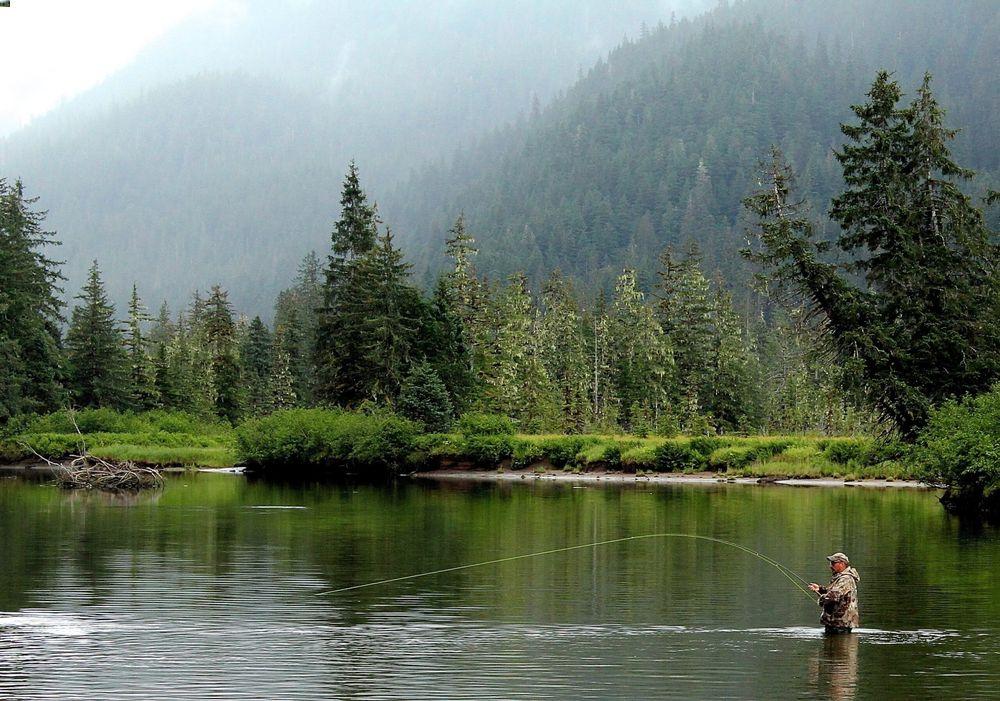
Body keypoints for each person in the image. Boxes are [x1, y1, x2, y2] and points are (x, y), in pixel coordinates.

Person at [808, 552, 860, 633]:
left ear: (842, 564)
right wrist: (820, 589)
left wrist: (821, 600)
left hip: (840, 624)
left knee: (839, 645)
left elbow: (833, 597)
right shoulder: (841, 578)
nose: (830, 566)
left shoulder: (845, 579)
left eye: (833, 563)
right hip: (837, 623)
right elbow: (835, 592)